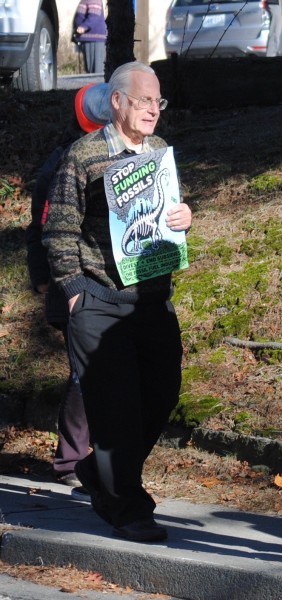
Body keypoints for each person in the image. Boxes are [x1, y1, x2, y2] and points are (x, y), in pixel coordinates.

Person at [43, 61, 192, 542]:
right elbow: (59, 227)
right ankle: (127, 507)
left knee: (162, 395)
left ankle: (98, 473)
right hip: (97, 298)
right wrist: (72, 291)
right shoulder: (83, 156)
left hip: (152, 297)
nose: (153, 110)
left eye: (158, 101)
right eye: (144, 100)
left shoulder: (160, 151)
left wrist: (184, 216)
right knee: (116, 406)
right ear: (117, 102)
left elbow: (170, 210)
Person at [25, 83, 110, 489]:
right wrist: (44, 279)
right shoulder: (65, 163)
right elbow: (43, 227)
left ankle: (98, 455)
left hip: (108, 284)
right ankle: (70, 462)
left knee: (100, 370)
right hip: (69, 284)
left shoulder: (115, 155)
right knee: (84, 372)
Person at [73, 0, 107, 74]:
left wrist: (84, 27)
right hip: (86, 37)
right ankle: (93, 84)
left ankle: (98, 84)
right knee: (90, 69)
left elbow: (94, 16)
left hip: (94, 37)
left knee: (96, 69)